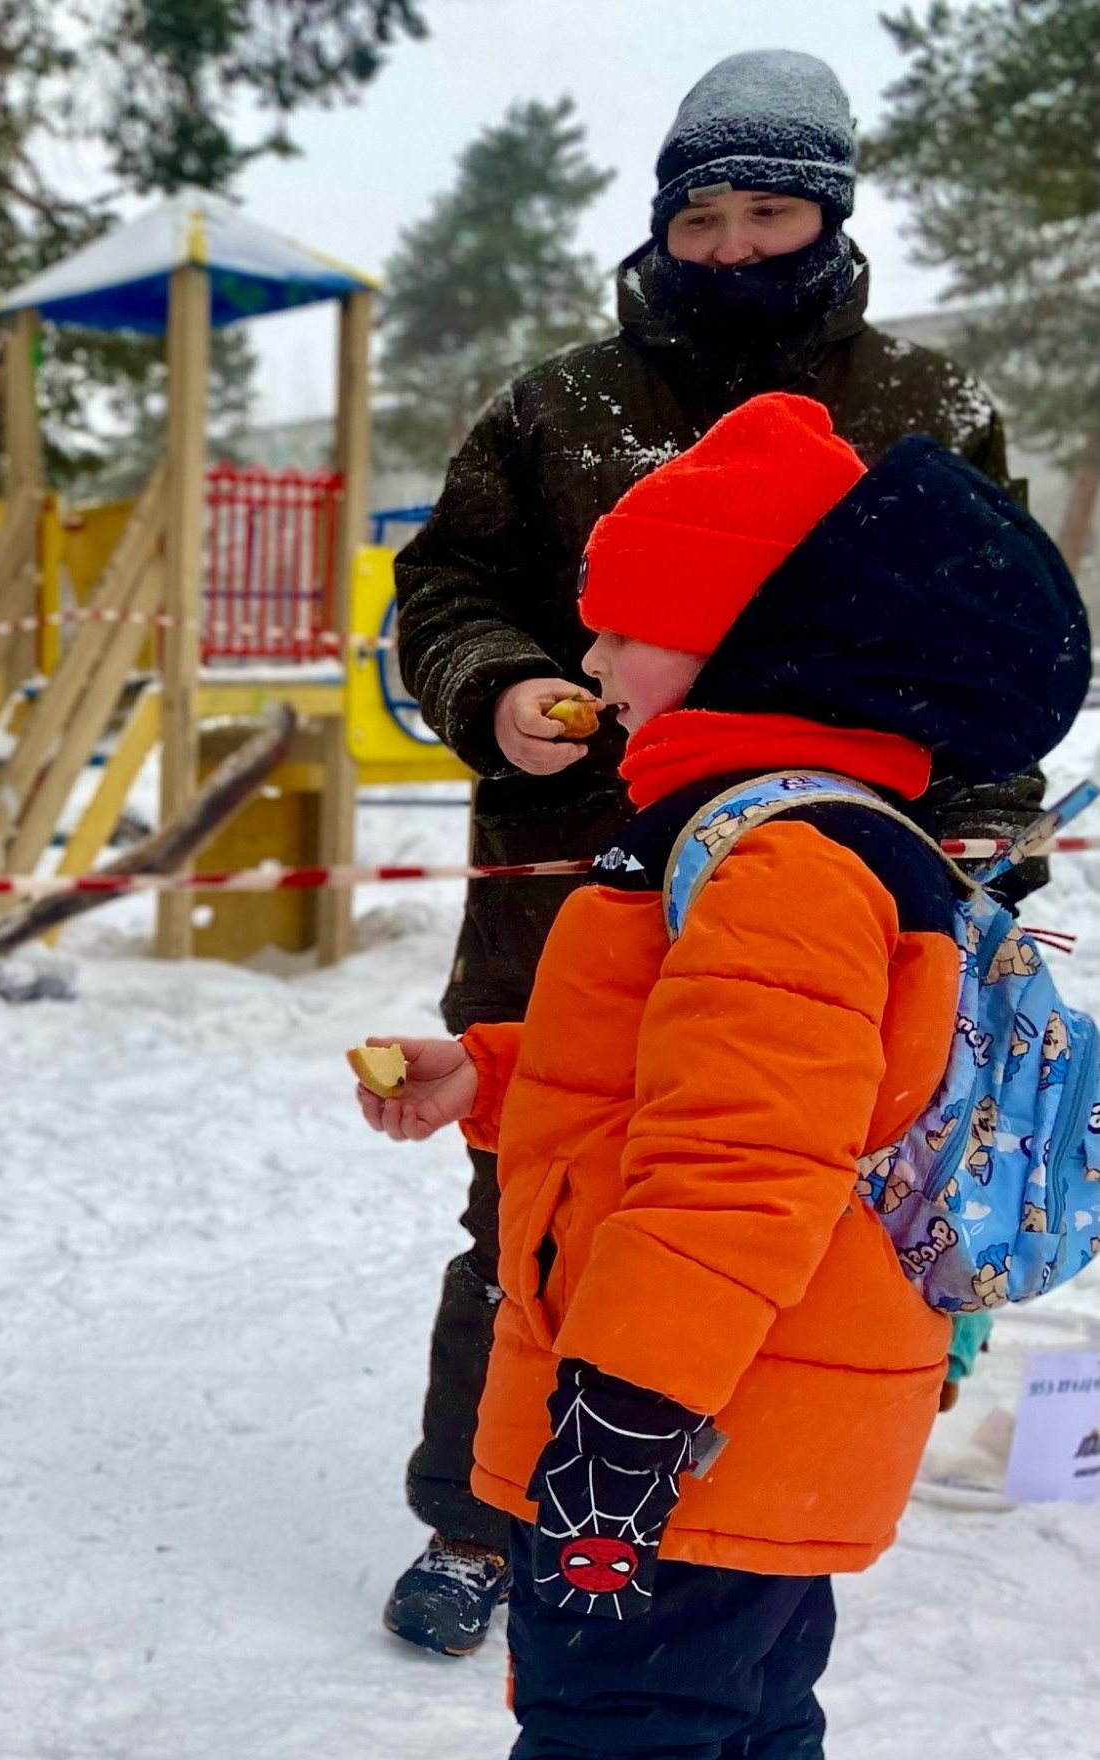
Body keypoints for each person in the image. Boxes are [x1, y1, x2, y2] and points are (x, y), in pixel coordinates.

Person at [365, 392, 1088, 1760]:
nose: (600, 666)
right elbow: (704, 1079)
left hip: (681, 1437)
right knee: (747, 1735)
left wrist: (621, 1421)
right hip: (759, 1429)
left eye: (630, 630)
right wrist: (492, 1074)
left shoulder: (773, 858)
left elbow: (733, 1172)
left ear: (746, 638)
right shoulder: (802, 829)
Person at [381, 47, 1040, 1656]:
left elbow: (984, 642)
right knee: (530, 1195)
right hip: (576, 879)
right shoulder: (557, 403)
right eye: (707, 216)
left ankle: (754, 1523)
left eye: (772, 210)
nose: (735, 245)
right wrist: (502, 686)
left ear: (830, 216)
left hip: (830, 886)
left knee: (791, 1196)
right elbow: (444, 588)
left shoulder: (926, 410)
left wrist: (975, 838)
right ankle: (484, 1517)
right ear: (660, 224)